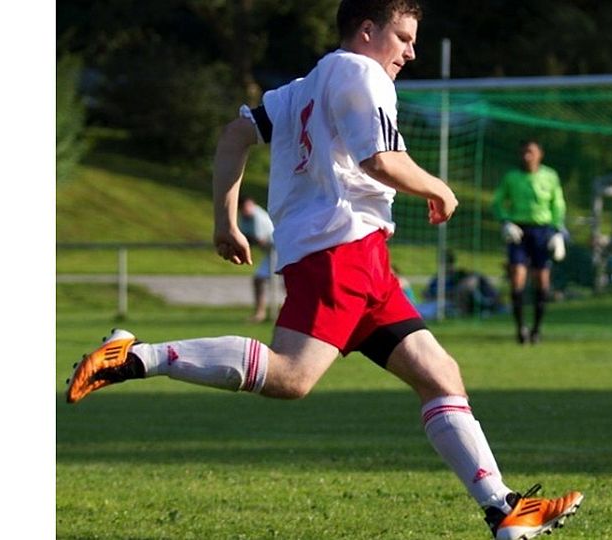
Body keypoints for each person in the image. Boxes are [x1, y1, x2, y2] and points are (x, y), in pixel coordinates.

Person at [64, 2, 583, 539]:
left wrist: (225, 220)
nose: (411, 51)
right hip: (343, 249)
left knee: (440, 375)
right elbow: (377, 159)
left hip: (356, 256)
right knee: (291, 376)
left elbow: (232, 136)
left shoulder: (301, 87)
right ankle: (134, 357)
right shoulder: (362, 72)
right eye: (403, 37)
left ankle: (504, 509)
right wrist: (438, 187)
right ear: (367, 31)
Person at [492, 140, 567, 345]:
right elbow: (497, 201)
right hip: (519, 231)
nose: (527, 156)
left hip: (542, 231)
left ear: (540, 154)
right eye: (524, 152)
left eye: (531, 152)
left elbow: (557, 203)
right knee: (517, 276)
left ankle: (537, 329)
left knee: (542, 279)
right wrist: (505, 221)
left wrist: (557, 231)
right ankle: (520, 329)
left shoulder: (550, 176)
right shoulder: (512, 177)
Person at [237, 195, 276, 322]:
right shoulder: (244, 218)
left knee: (287, 284)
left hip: (279, 251)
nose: (247, 209)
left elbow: (259, 240)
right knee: (258, 280)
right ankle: (260, 313)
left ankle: (294, 314)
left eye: (249, 205)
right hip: (270, 254)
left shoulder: (257, 216)